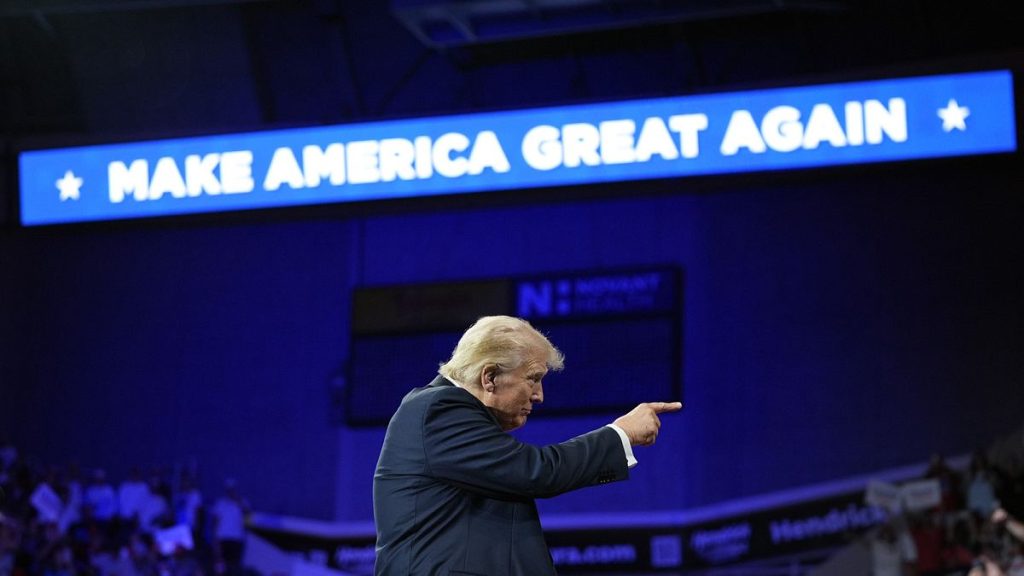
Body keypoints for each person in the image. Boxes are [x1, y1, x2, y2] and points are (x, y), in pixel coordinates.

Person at [372, 315, 682, 576]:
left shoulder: (456, 419)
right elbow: (537, 472)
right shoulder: (437, 408)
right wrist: (621, 434)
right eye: (533, 379)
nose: (539, 396)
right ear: (490, 376)